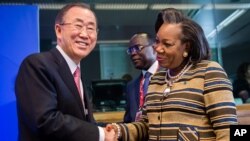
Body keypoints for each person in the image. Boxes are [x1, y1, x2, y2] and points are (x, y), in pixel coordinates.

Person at [107, 8, 237, 141]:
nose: (157, 48)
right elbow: (147, 125)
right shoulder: (157, 78)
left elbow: (228, 130)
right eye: (157, 41)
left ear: (186, 47)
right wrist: (118, 130)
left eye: (167, 44)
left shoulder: (209, 72)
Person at [15, 3, 115, 141]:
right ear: (59, 30)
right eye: (78, 26)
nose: (85, 34)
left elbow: (81, 121)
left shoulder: (76, 72)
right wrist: (101, 134)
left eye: (91, 28)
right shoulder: (37, 65)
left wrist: (112, 129)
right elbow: (45, 121)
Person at [123, 33, 159, 123]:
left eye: (138, 48)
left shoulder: (170, 75)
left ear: (154, 48)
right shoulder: (131, 86)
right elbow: (128, 121)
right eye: (130, 50)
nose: (133, 53)